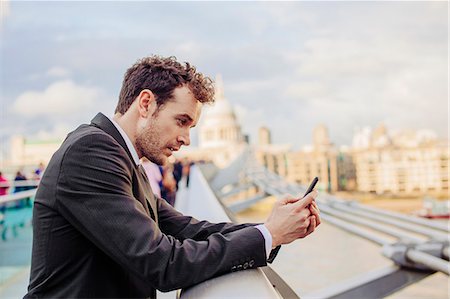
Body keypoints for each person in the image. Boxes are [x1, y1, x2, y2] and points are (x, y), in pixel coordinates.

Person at [25, 55, 321, 298]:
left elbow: (190, 230)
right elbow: (162, 263)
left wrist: (273, 227)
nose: (186, 139)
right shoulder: (91, 152)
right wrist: (268, 235)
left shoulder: (124, 158)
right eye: (182, 121)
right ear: (145, 104)